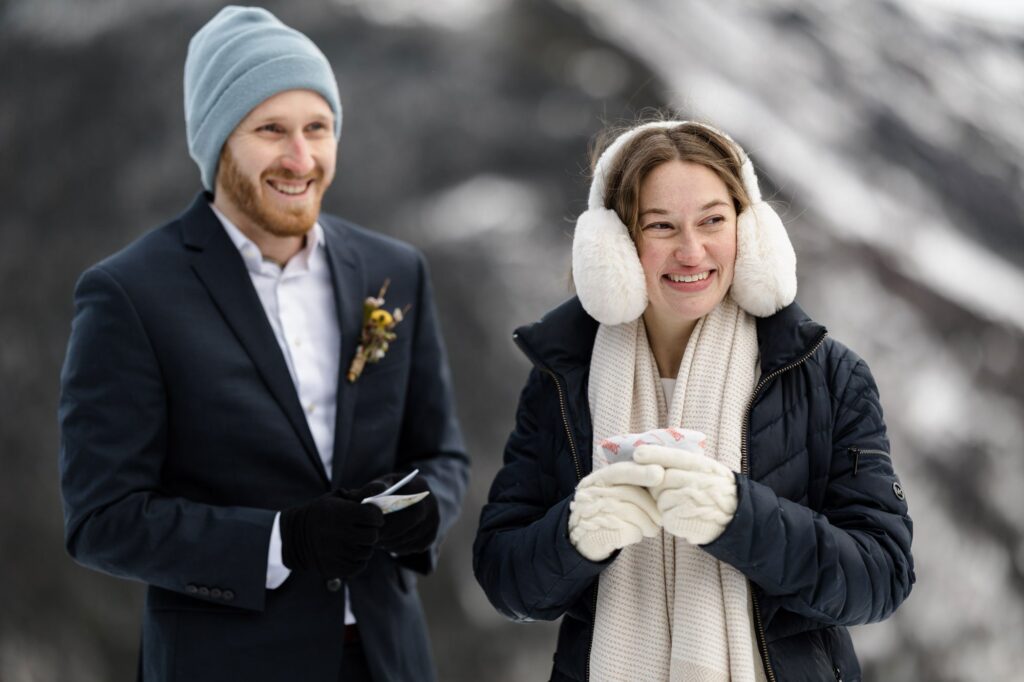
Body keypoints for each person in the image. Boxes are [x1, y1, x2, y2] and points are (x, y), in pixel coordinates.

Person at [58, 7, 468, 681]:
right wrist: (283, 542)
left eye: (318, 128)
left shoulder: (395, 269)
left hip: (389, 657)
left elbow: (444, 453)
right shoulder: (128, 294)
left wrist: (428, 511)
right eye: (271, 130)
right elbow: (102, 519)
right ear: (220, 142)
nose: (301, 158)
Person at [473, 119, 914, 681]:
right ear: (616, 246)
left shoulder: (828, 376)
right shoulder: (563, 380)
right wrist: (575, 535)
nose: (691, 251)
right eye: (661, 226)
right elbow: (502, 576)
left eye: (713, 221)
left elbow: (882, 576)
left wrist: (738, 515)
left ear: (749, 232)